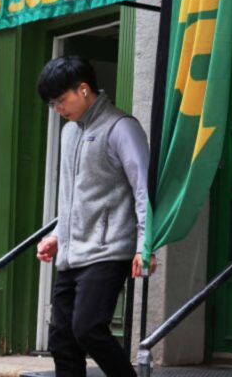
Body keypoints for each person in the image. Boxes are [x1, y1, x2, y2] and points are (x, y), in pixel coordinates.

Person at [34, 55, 155, 377]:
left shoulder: (121, 128)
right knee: (61, 339)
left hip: (108, 250)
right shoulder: (70, 133)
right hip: (72, 254)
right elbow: (72, 198)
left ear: (83, 89)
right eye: (53, 104)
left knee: (88, 328)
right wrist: (57, 235)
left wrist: (146, 245)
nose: (58, 109)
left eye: (61, 100)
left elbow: (143, 190)